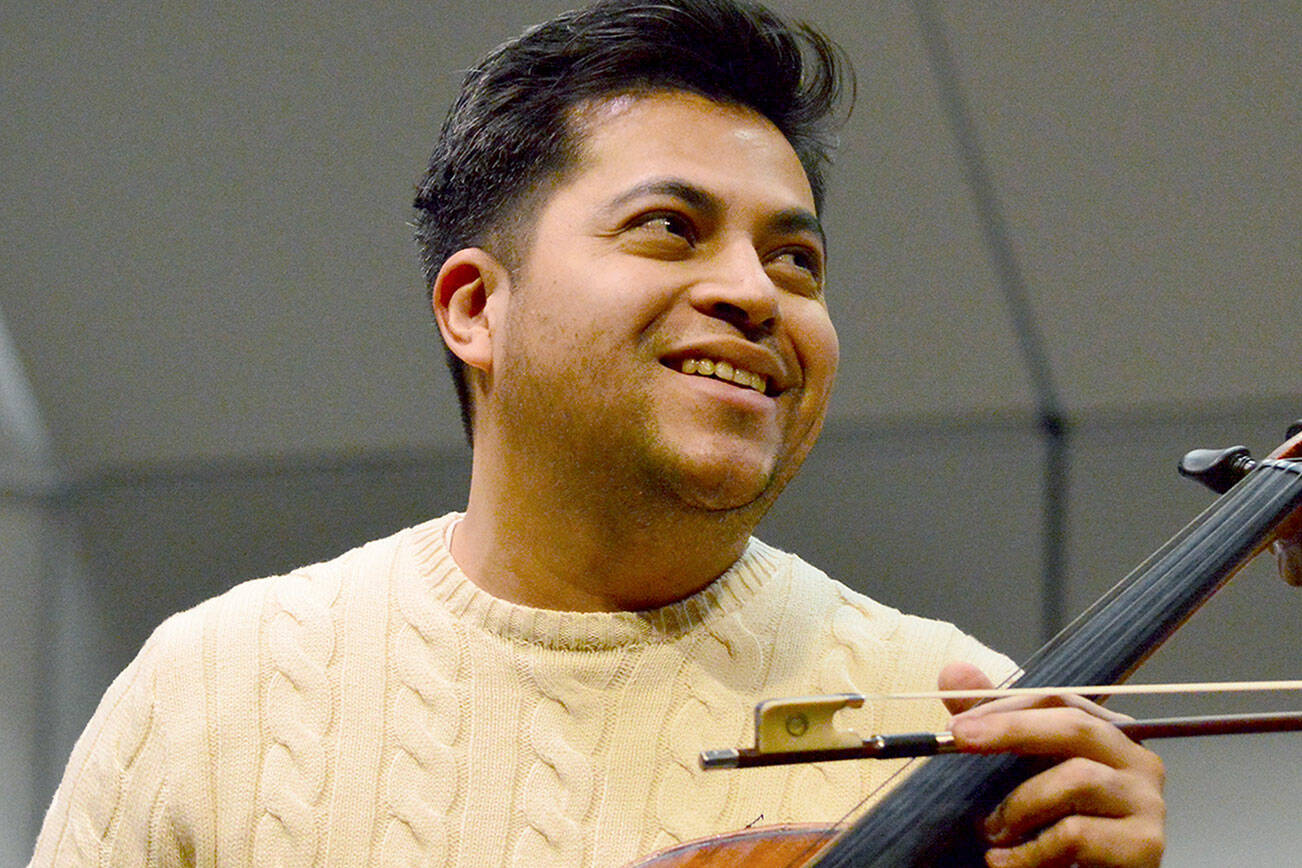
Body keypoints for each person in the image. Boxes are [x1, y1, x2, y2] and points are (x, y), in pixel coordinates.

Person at [29, 1, 1300, 865]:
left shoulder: (966, 715)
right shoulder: (219, 693)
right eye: (670, 229)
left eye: (795, 259)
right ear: (475, 307)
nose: (755, 292)